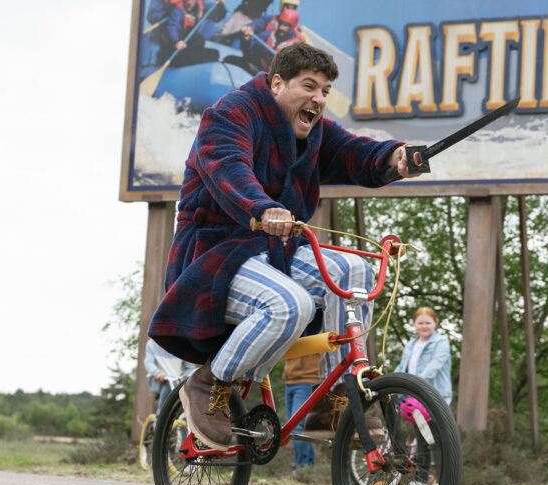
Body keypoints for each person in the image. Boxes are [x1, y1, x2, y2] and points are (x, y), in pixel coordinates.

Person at [148, 43, 423, 451]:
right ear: (277, 83)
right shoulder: (230, 114)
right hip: (216, 256)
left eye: (326, 91)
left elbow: (354, 153)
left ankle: (333, 401)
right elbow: (227, 167)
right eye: (309, 86)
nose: (319, 99)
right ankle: (208, 383)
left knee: (357, 273)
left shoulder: (312, 132)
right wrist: (263, 207)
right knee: (290, 304)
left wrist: (394, 157)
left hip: (276, 252)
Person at [394, 306, 452, 485]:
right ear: (414, 324)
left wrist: (416, 384)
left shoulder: (441, 342)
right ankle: (420, 480)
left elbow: (435, 366)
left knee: (436, 439)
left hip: (435, 396)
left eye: (428, 322)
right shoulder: (411, 344)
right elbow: (403, 367)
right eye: (421, 323)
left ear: (435, 323)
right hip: (415, 398)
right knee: (421, 440)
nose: (424, 326)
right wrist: (388, 382)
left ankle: (440, 482)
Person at [147, 0, 228, 67]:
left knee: (201, 42)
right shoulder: (178, 9)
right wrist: (176, 41)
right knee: (192, 39)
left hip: (187, 40)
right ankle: (167, 59)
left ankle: (193, 60)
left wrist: (221, 5)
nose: (189, 3)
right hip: (170, 39)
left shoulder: (200, 4)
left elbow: (216, 15)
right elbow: (171, 25)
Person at [229, 8, 305, 74]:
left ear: (292, 27)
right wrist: (246, 40)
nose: (281, 28)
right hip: (260, 70)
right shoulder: (270, 34)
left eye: (286, 25)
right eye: (280, 23)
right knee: (229, 59)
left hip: (278, 79)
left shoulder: (298, 43)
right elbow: (249, 54)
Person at [283, 353, 319, 472]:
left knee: (296, 426)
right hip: (289, 381)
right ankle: (307, 465)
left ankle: (300, 467)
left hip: (307, 380)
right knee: (292, 428)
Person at [144, 338, 197, 419]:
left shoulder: (183, 346)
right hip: (158, 380)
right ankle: (159, 420)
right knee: (168, 385)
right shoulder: (153, 343)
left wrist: (185, 377)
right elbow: (148, 362)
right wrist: (157, 372)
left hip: (176, 381)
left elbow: (190, 367)